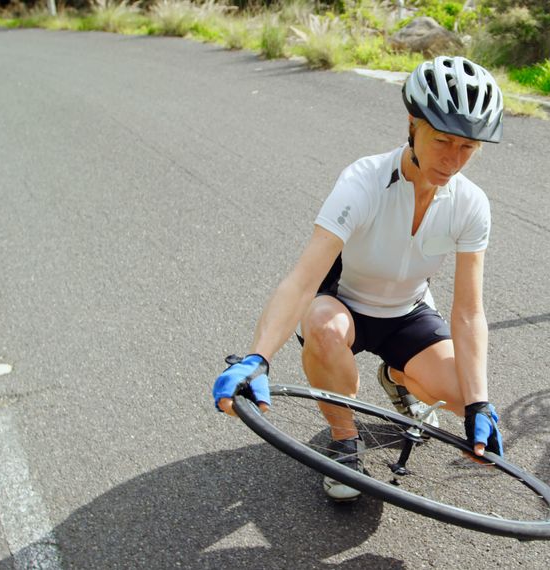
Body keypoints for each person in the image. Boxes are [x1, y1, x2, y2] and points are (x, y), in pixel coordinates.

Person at [212, 55, 506, 502]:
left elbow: (468, 311)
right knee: (324, 329)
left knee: (464, 400)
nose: (452, 160)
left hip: (407, 313)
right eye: (442, 140)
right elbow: (303, 280)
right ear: (413, 124)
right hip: (342, 305)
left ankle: (397, 374)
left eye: (467, 148)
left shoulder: (471, 203)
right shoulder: (363, 182)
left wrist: (480, 401)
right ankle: (344, 441)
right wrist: (258, 357)